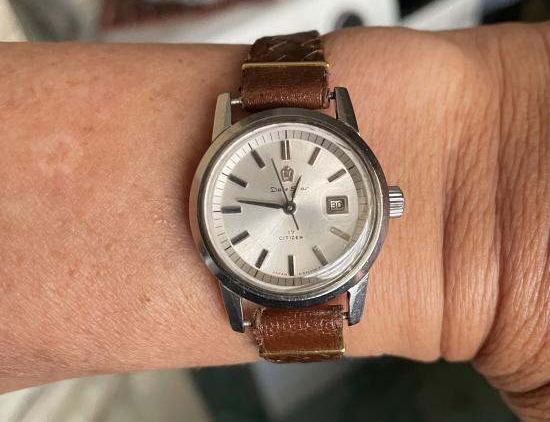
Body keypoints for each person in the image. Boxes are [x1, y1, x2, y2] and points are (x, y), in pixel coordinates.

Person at [0, 24, 548, 421]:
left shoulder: (347, 259)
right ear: (384, 201)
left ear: (386, 201)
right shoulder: (260, 135)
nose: (289, 211)